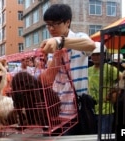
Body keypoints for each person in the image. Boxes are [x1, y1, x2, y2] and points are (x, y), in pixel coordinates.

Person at [39, 3, 95, 135]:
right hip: (56, 111)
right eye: (48, 25)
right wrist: (56, 56)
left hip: (76, 113)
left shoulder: (79, 37)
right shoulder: (52, 46)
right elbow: (48, 80)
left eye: (55, 24)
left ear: (67, 22)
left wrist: (61, 42)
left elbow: (91, 45)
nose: (51, 28)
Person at [88, 42, 119, 134]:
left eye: (98, 54)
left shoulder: (110, 69)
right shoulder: (88, 70)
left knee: (104, 136)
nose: (95, 57)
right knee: (92, 136)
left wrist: (114, 92)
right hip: (91, 109)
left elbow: (123, 81)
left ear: (104, 55)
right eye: (93, 55)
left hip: (106, 109)